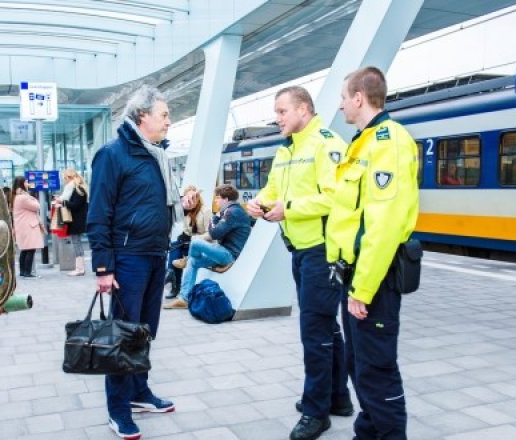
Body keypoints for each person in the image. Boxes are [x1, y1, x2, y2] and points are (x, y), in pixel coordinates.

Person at [246, 85, 353, 440]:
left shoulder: (327, 144)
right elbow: (274, 190)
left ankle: (315, 412)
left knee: (315, 332)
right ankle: (338, 398)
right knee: (326, 327)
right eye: (276, 112)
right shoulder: (288, 149)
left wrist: (288, 209)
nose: (276, 119)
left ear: (304, 110)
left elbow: (336, 197)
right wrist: (258, 203)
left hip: (323, 252)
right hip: (300, 249)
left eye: (282, 111)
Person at [327, 66, 419, 440]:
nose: (341, 104)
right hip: (355, 274)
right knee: (358, 364)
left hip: (374, 280)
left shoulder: (388, 142)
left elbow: (383, 224)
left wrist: (362, 290)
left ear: (359, 98)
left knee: (376, 368)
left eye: (344, 96)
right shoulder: (363, 142)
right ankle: (367, 432)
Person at [87, 85, 179, 440]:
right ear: (143, 116)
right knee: (124, 334)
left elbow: (151, 205)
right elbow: (99, 214)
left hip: (155, 253)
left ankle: (140, 393)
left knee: (145, 330)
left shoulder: (155, 154)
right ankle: (118, 410)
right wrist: (103, 267)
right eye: (164, 114)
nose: (168, 121)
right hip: (127, 259)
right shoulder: (113, 154)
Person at [164, 184, 251, 310]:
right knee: (193, 262)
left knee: (195, 242)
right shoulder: (229, 211)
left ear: (225, 199)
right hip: (223, 251)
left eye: (217, 198)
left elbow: (215, 233)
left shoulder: (233, 212)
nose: (215, 201)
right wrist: (216, 220)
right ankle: (184, 299)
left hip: (228, 255)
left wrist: (213, 219)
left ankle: (186, 260)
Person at [165, 185, 210, 299]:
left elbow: (210, 234)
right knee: (174, 247)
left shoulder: (205, 211)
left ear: (198, 197)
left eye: (193, 197)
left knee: (178, 253)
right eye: (187, 197)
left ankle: (172, 279)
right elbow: (186, 230)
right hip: (188, 240)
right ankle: (173, 281)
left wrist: (195, 239)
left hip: (200, 242)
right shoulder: (185, 211)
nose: (190, 200)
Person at [56, 168, 89, 276]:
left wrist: (63, 202)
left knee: (77, 243)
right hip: (77, 220)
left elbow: (75, 205)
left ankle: (80, 269)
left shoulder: (78, 189)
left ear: (69, 177)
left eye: (65, 178)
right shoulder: (78, 188)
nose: (64, 181)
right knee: (77, 243)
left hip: (77, 221)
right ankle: (79, 268)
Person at [11, 175, 46, 278]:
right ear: (21, 184)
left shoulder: (17, 196)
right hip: (28, 227)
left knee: (25, 250)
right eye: (26, 182)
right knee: (30, 249)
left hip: (24, 226)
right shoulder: (23, 197)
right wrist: (34, 199)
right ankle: (27, 272)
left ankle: (23, 272)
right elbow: (37, 206)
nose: (27, 184)